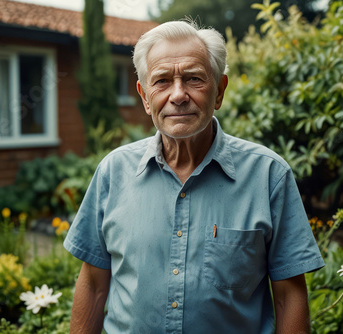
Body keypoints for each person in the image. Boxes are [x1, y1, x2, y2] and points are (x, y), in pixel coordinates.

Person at [64, 20, 324, 333]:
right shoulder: (113, 171)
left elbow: (288, 296)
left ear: (219, 91)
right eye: (161, 81)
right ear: (145, 97)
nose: (178, 95)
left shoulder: (268, 175)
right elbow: (93, 285)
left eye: (194, 79)